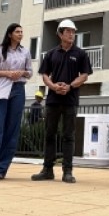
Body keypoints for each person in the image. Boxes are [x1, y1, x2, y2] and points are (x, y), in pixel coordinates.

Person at [32, 19, 92, 184]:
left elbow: (84, 75)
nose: (72, 34)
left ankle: (67, 171)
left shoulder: (80, 54)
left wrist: (70, 86)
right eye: (68, 31)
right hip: (53, 100)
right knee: (49, 134)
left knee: (68, 136)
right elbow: (44, 74)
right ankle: (47, 170)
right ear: (60, 33)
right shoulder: (51, 54)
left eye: (73, 32)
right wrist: (53, 86)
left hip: (70, 100)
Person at [0, 23, 33, 182]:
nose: (20, 34)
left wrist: (22, 73)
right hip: (1, 90)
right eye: (17, 32)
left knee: (12, 131)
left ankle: (1, 170)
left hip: (18, 89)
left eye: (22, 32)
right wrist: (7, 73)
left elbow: (30, 72)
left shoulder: (25, 52)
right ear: (10, 34)